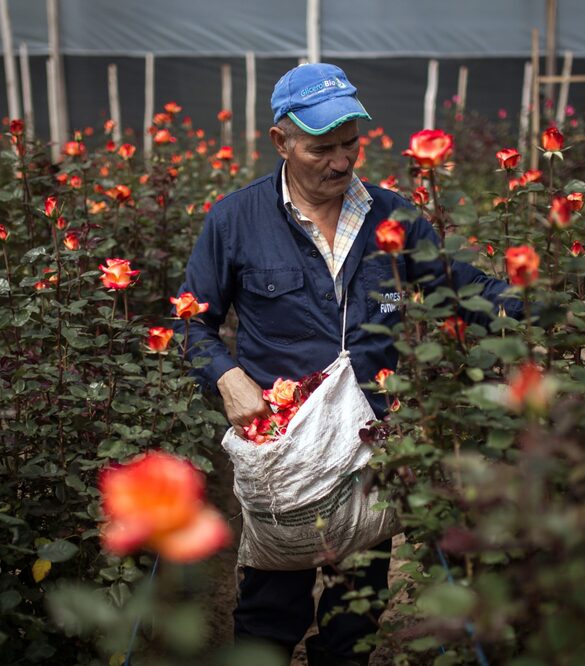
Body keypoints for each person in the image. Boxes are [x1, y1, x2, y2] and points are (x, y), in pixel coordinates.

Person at [175, 63, 522, 665]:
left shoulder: (395, 218)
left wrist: (557, 304)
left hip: (367, 452)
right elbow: (190, 322)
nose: (340, 162)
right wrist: (227, 377)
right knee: (268, 613)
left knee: (354, 618)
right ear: (281, 142)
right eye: (321, 148)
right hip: (282, 449)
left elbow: (461, 293)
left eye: (349, 145)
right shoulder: (236, 220)